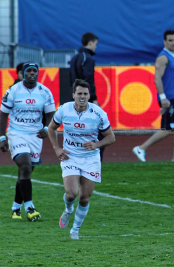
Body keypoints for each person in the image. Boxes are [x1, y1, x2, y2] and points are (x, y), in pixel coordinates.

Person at [47, 79, 115, 240]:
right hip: (70, 156)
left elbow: (111, 137)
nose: (82, 96)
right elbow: (51, 128)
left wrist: (97, 144)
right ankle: (68, 209)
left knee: (84, 197)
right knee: (71, 194)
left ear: (89, 95)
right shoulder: (64, 110)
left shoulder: (98, 114)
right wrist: (57, 148)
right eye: (79, 93)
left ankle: (75, 230)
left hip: (90, 159)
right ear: (73, 95)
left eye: (85, 93)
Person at [0, 63, 56, 221]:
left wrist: (47, 127)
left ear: (38, 73)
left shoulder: (45, 92)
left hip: (35, 136)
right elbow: (3, 114)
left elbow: (51, 113)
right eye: (28, 71)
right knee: (24, 165)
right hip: (16, 133)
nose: (32, 73)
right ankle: (30, 208)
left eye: (34, 71)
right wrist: (2, 137)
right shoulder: (13, 91)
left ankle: (15, 208)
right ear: (22, 74)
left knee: (26, 172)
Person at [132, 30, 174, 162]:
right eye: (170, 40)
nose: (173, 43)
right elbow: (157, 78)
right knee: (168, 129)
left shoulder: (173, 56)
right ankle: (141, 148)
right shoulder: (163, 57)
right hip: (168, 98)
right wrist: (163, 98)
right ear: (164, 42)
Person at [69, 32, 107, 161]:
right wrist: (94, 99)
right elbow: (89, 80)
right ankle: (96, 159)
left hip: (75, 100)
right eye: (95, 44)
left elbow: (71, 80)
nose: (96, 46)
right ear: (90, 43)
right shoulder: (88, 58)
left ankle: (77, 158)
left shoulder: (75, 58)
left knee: (77, 131)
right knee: (101, 132)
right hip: (87, 101)